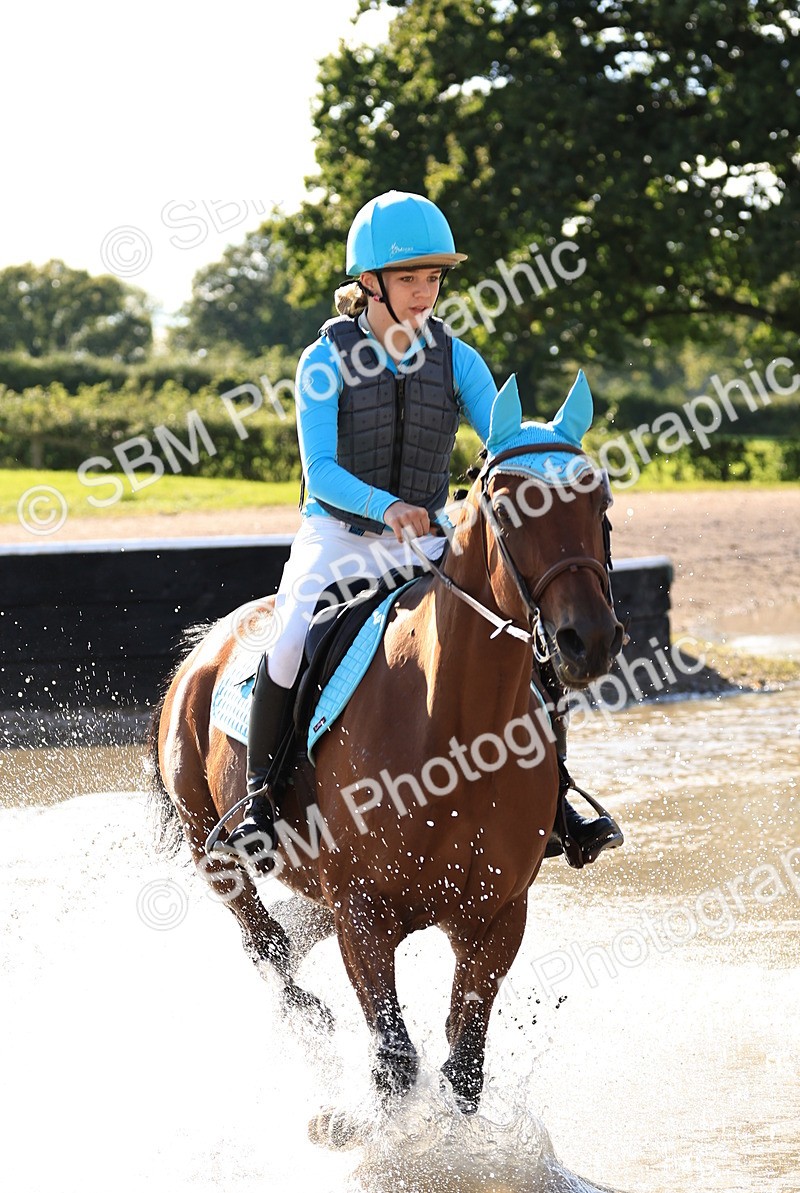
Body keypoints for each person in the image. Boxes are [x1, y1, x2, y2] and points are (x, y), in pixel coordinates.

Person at [217, 189, 622, 870]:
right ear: (368, 282)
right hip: (339, 537)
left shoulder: (457, 359)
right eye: (409, 279)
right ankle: (258, 808)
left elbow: (496, 446)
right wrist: (387, 508)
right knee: (287, 641)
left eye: (433, 279)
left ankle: (557, 807)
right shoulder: (323, 361)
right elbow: (319, 471)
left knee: (516, 632)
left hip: (429, 535)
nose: (424, 293)